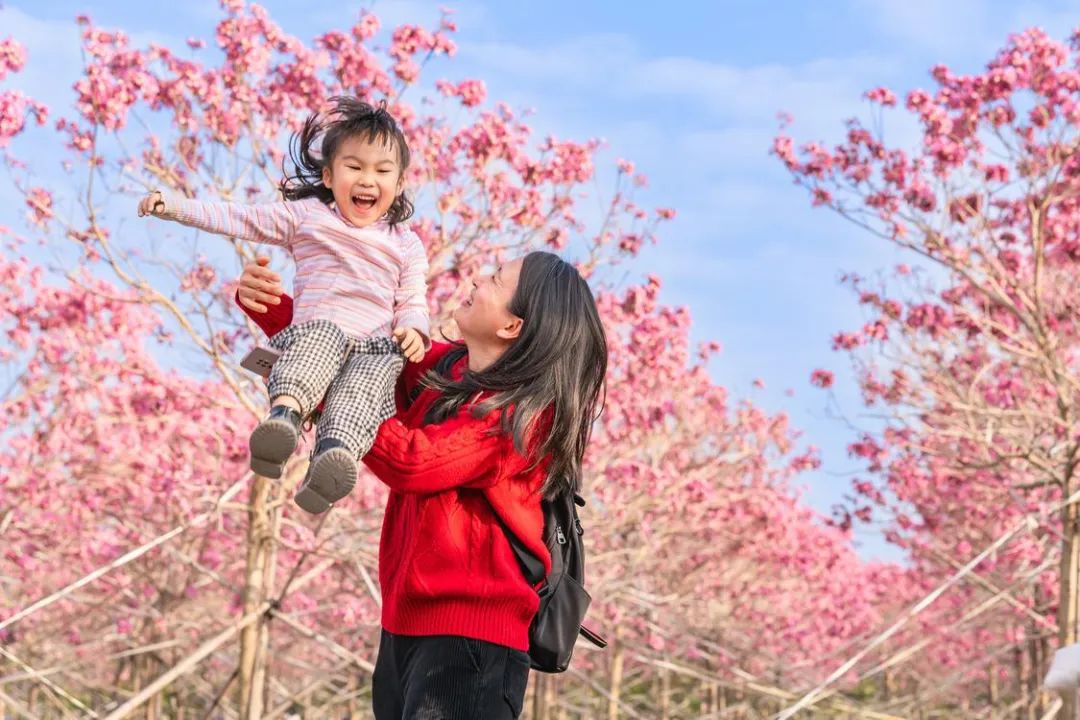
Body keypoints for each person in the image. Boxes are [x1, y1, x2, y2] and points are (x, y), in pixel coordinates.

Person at [236, 251, 607, 719]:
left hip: (469, 646)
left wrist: (334, 401)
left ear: (513, 326)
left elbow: (414, 461)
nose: (475, 278)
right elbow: (361, 350)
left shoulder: (523, 418)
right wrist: (272, 308)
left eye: (494, 280)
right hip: (403, 629)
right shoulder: (448, 371)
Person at [138, 97, 430, 514]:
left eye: (382, 171)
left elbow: (413, 299)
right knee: (319, 343)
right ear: (329, 176)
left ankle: (334, 456)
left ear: (399, 183)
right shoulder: (309, 217)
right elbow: (239, 217)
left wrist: (415, 330)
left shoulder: (406, 244)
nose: (368, 180)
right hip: (320, 329)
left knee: (368, 386)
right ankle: (285, 418)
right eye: (355, 167)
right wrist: (176, 207)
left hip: (374, 347)